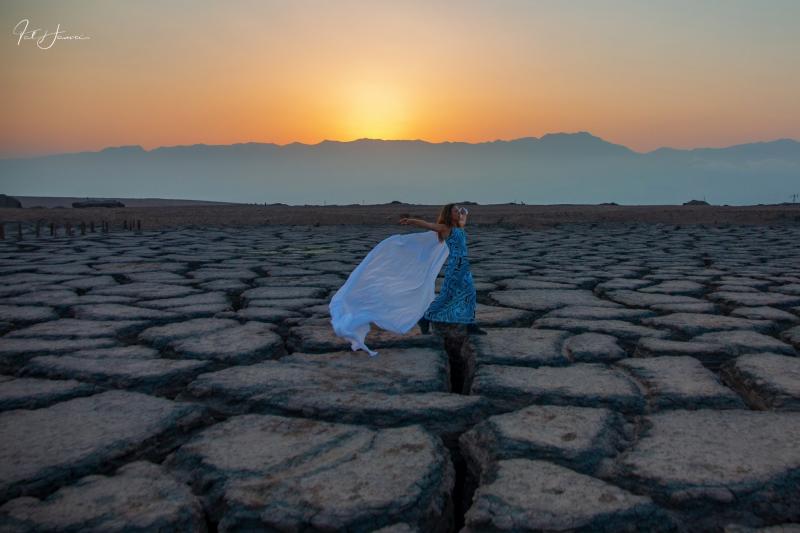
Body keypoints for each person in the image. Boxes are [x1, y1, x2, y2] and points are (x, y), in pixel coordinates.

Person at [399, 203, 487, 335]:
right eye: (455, 211)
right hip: (456, 267)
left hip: (464, 266)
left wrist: (465, 212)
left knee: (470, 293)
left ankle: (469, 323)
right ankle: (425, 318)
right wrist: (411, 220)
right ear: (449, 214)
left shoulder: (459, 225)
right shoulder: (445, 228)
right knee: (447, 296)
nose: (458, 214)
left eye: (458, 211)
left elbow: (463, 219)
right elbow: (427, 225)